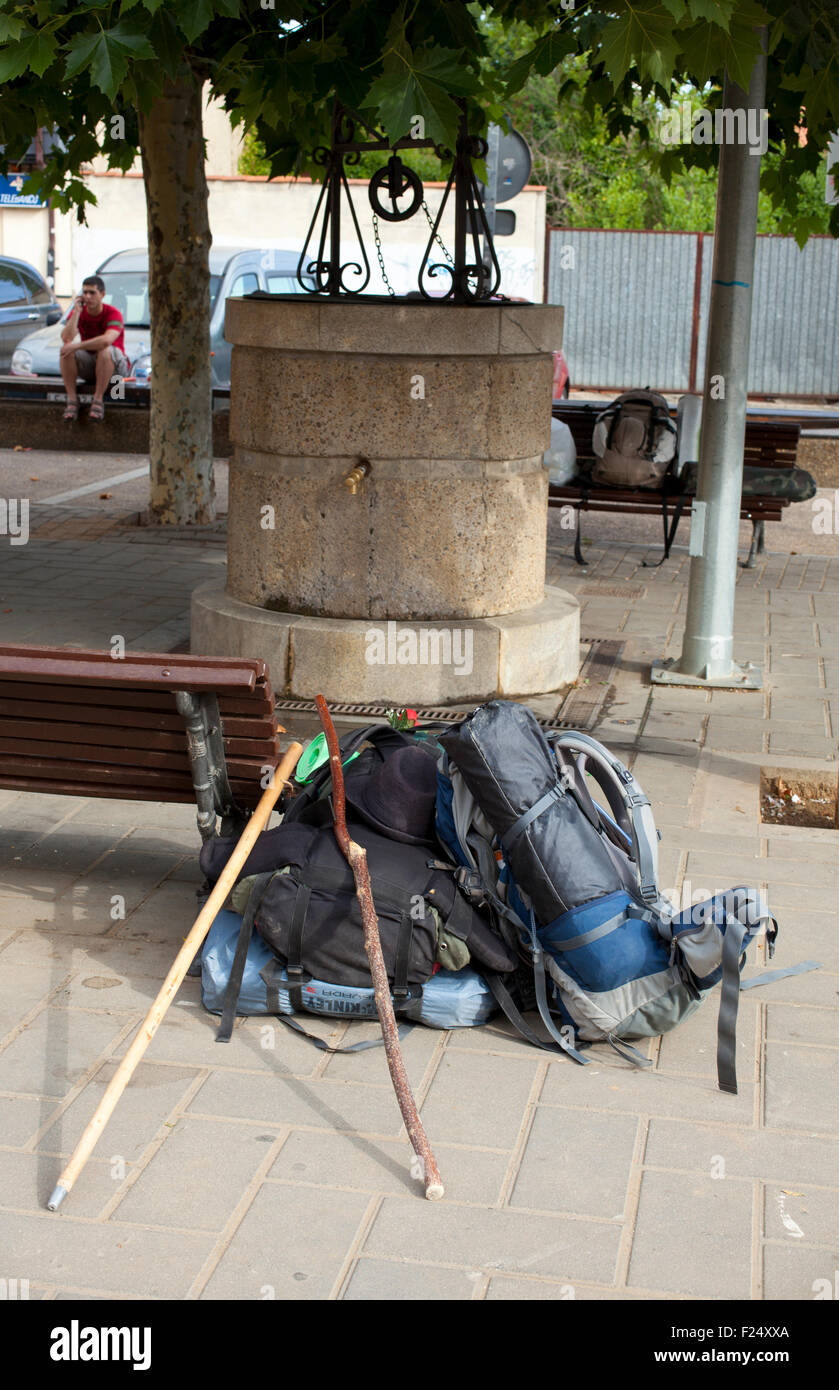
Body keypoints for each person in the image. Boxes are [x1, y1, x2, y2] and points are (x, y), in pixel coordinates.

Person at [59, 275, 130, 421]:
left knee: (104, 351)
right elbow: (67, 338)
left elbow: (106, 341)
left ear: (102, 295)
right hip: (93, 367)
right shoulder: (78, 313)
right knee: (66, 350)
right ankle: (72, 400)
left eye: (92, 293)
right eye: (85, 293)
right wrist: (76, 313)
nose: (87, 296)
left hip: (116, 373)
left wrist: (77, 346)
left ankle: (98, 401)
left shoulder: (113, 313)